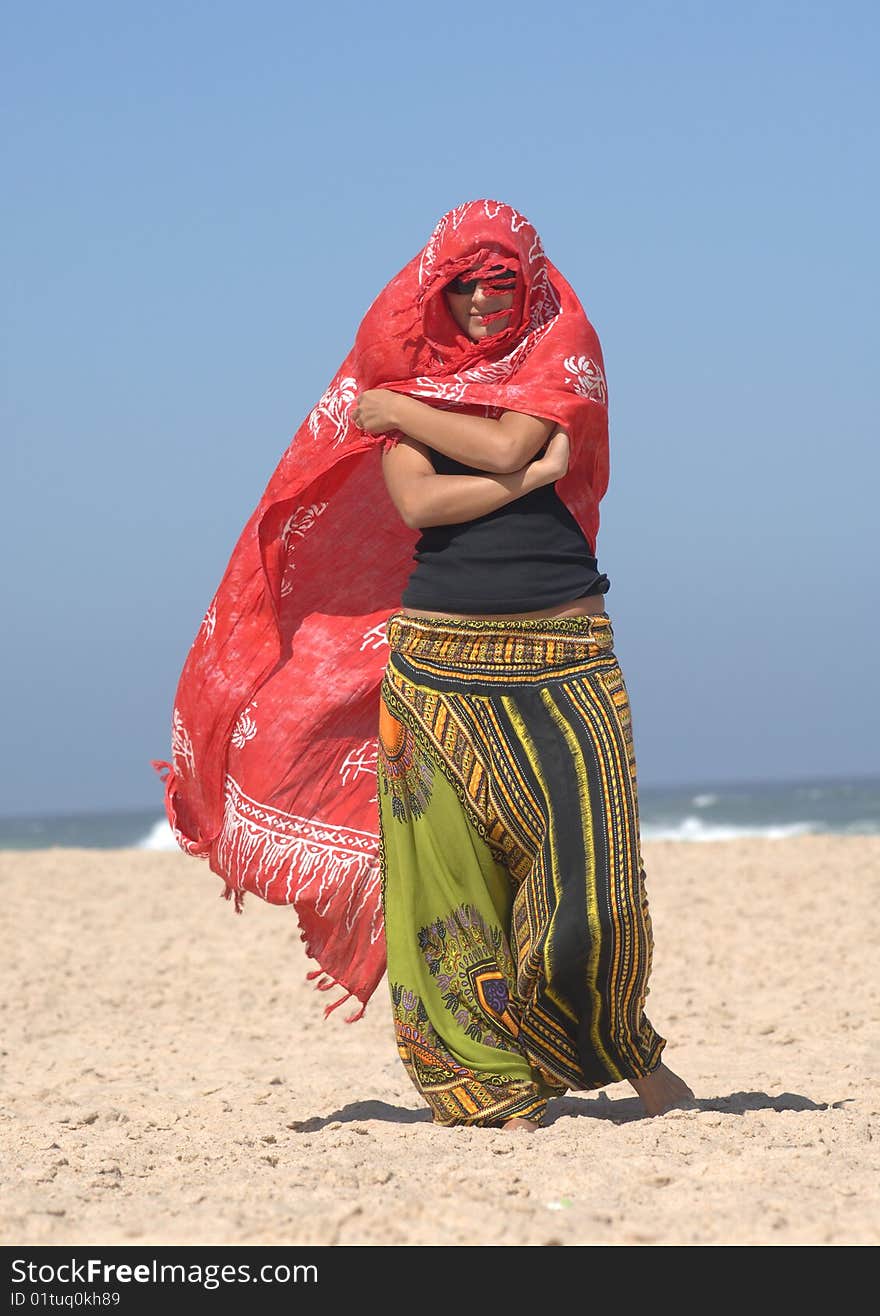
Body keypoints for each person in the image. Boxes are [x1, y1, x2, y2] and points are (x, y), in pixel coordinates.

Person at [155, 199, 693, 1131]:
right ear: (437, 293)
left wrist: (409, 413)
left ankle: (628, 1054)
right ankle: (490, 1086)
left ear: (528, 284)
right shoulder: (422, 373)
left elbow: (509, 440)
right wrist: (511, 468)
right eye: (463, 285)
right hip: (435, 657)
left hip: (564, 649)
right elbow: (419, 505)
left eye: (500, 282)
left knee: (595, 890)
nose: (484, 301)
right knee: (447, 885)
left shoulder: (563, 346)